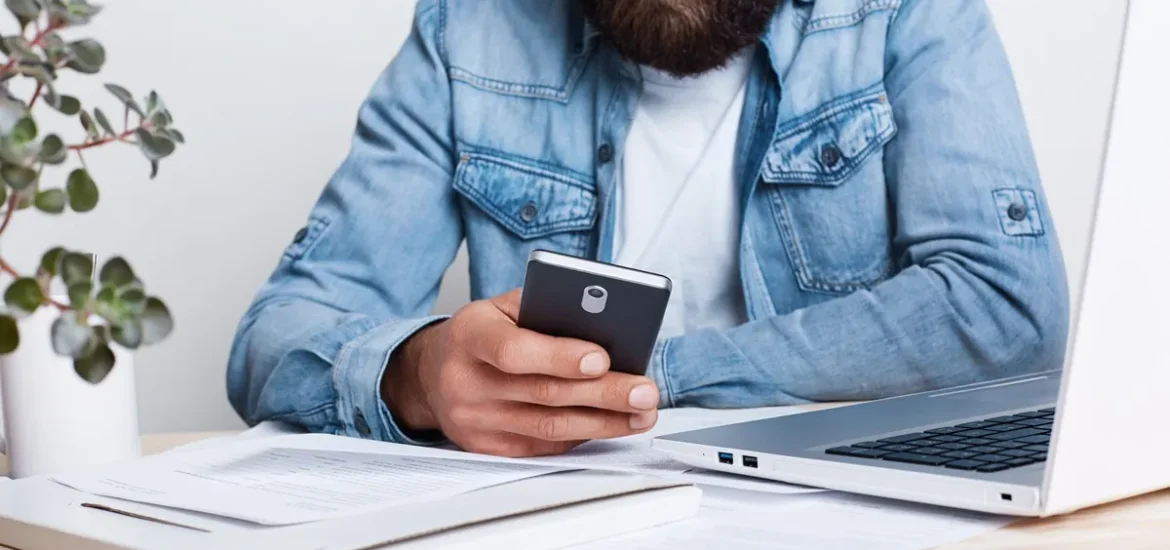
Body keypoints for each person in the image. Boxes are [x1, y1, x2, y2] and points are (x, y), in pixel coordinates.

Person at [226, 0, 1069, 458]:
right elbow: (276, 335)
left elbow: (1006, 306)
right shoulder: (468, 30)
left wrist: (645, 375)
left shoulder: (906, 12)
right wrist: (421, 372)